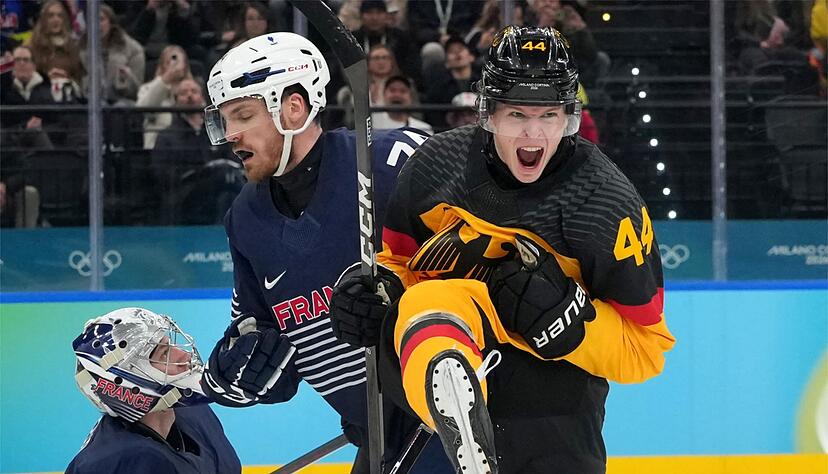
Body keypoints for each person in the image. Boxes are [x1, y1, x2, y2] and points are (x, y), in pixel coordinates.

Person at [329, 26, 676, 474]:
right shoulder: (435, 167)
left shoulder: (607, 204)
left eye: (548, 116)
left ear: (569, 116)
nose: (533, 135)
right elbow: (401, 268)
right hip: (438, 398)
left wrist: (572, 323)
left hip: (555, 409)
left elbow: (646, 349)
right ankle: (453, 399)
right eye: (517, 114)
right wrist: (376, 293)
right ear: (488, 113)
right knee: (426, 302)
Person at [197, 32, 453, 473]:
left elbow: (488, 256)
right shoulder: (245, 220)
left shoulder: (394, 162)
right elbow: (266, 344)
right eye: (224, 120)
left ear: (293, 108)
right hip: (381, 443)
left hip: (462, 423)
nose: (230, 135)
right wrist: (240, 370)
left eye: (242, 114)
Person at [67, 307, 241, 473]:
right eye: (164, 354)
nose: (184, 355)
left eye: (170, 345)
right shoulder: (123, 461)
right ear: (125, 382)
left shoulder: (194, 413)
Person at [152, 78, 239, 225]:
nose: (190, 96)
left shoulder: (218, 131)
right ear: (176, 101)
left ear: (203, 98)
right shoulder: (166, 136)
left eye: (194, 91)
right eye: (183, 93)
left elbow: (234, 159)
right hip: (184, 197)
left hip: (219, 191)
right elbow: (162, 174)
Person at [137, 45, 193, 148]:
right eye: (169, 62)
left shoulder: (193, 89)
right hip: (157, 146)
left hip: (189, 147)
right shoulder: (147, 88)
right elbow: (144, 111)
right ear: (162, 65)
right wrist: (165, 80)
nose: (174, 65)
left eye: (178, 61)